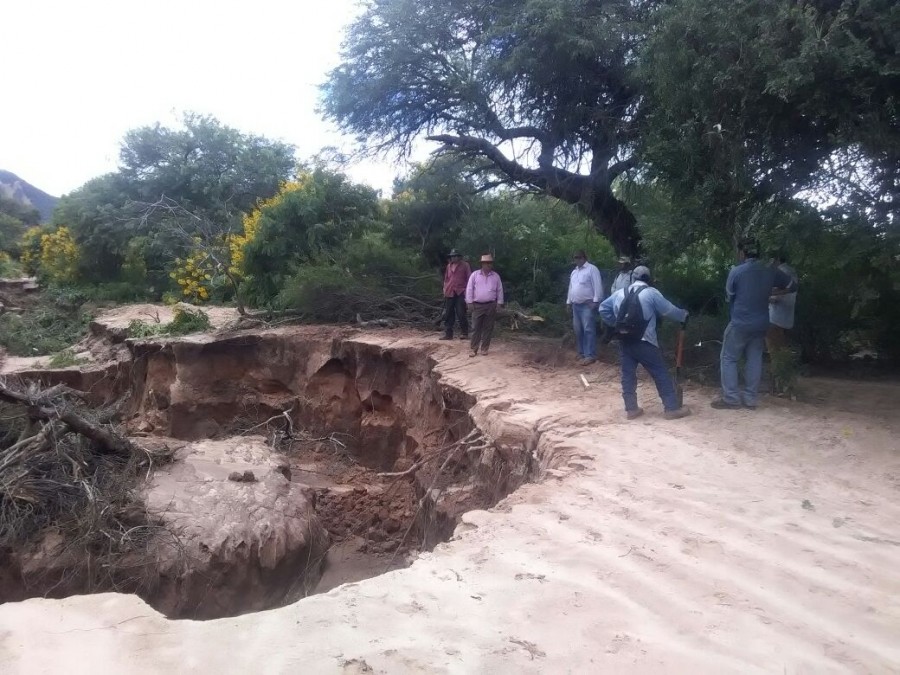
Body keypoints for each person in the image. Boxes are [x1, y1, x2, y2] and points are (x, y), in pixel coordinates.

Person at [599, 265, 692, 420]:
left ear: (633, 278)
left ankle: (631, 409)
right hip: (645, 341)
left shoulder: (619, 293)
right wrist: (684, 316)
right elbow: (668, 310)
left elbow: (602, 308)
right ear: (648, 279)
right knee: (660, 372)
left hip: (624, 340)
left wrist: (615, 322)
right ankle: (671, 408)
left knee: (627, 375)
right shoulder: (651, 293)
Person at [713, 242, 796, 410]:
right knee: (755, 358)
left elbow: (730, 297)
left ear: (743, 253)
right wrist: (770, 292)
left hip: (740, 323)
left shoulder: (736, 272)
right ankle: (750, 400)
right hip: (761, 323)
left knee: (729, 358)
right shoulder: (770, 271)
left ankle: (731, 398)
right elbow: (792, 285)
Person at [566, 250, 603, 365]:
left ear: (584, 258)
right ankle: (581, 352)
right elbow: (571, 288)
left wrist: (596, 301)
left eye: (579, 257)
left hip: (587, 304)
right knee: (578, 330)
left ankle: (590, 355)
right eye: (575, 258)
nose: (577, 260)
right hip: (576, 305)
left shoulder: (592, 269)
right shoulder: (574, 272)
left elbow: (597, 285)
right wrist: (568, 302)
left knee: (588, 329)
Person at [465, 254, 504, 357]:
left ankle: (484, 348)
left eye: (490, 263)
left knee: (488, 328)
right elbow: (469, 289)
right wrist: (469, 302)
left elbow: (500, 290)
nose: (489, 265)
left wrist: (499, 303)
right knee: (475, 327)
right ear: (482, 264)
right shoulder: (474, 275)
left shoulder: (495, 276)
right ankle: (473, 349)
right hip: (477, 305)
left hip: (491, 305)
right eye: (486, 263)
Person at [767, 253, 798, 353]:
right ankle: (784, 367)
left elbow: (775, 297)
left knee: (774, 349)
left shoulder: (780, 273)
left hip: (775, 318)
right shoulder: (791, 271)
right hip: (787, 318)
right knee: (783, 348)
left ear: (776, 259)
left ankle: (778, 368)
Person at [440, 249, 471, 341]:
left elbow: (469, 278)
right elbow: (446, 279)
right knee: (449, 313)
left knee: (461, 313)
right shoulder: (449, 266)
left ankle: (464, 333)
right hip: (450, 292)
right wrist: (444, 289)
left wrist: (467, 291)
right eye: (452, 256)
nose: (453, 258)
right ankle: (448, 334)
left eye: (455, 256)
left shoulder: (465, 265)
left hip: (461, 291)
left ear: (459, 257)